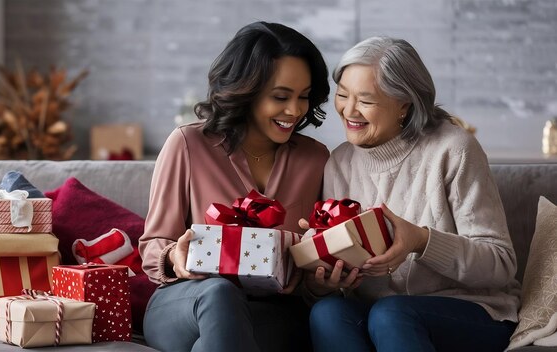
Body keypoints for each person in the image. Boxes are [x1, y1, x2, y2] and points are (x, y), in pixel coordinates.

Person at [306, 36, 521, 352]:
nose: (348, 110)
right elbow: (334, 288)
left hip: (475, 311)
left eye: (365, 100)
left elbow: (501, 264)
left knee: (391, 313)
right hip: (384, 312)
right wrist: (325, 277)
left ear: (403, 104)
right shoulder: (339, 162)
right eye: (342, 95)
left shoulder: (453, 149)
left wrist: (422, 241)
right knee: (328, 312)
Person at [139, 21, 330, 352]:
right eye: (281, 96)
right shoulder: (188, 144)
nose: (295, 110)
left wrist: (319, 274)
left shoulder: (315, 159)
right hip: (187, 301)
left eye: (304, 97)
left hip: (271, 312)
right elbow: (153, 243)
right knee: (219, 294)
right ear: (247, 89)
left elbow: (316, 257)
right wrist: (175, 256)